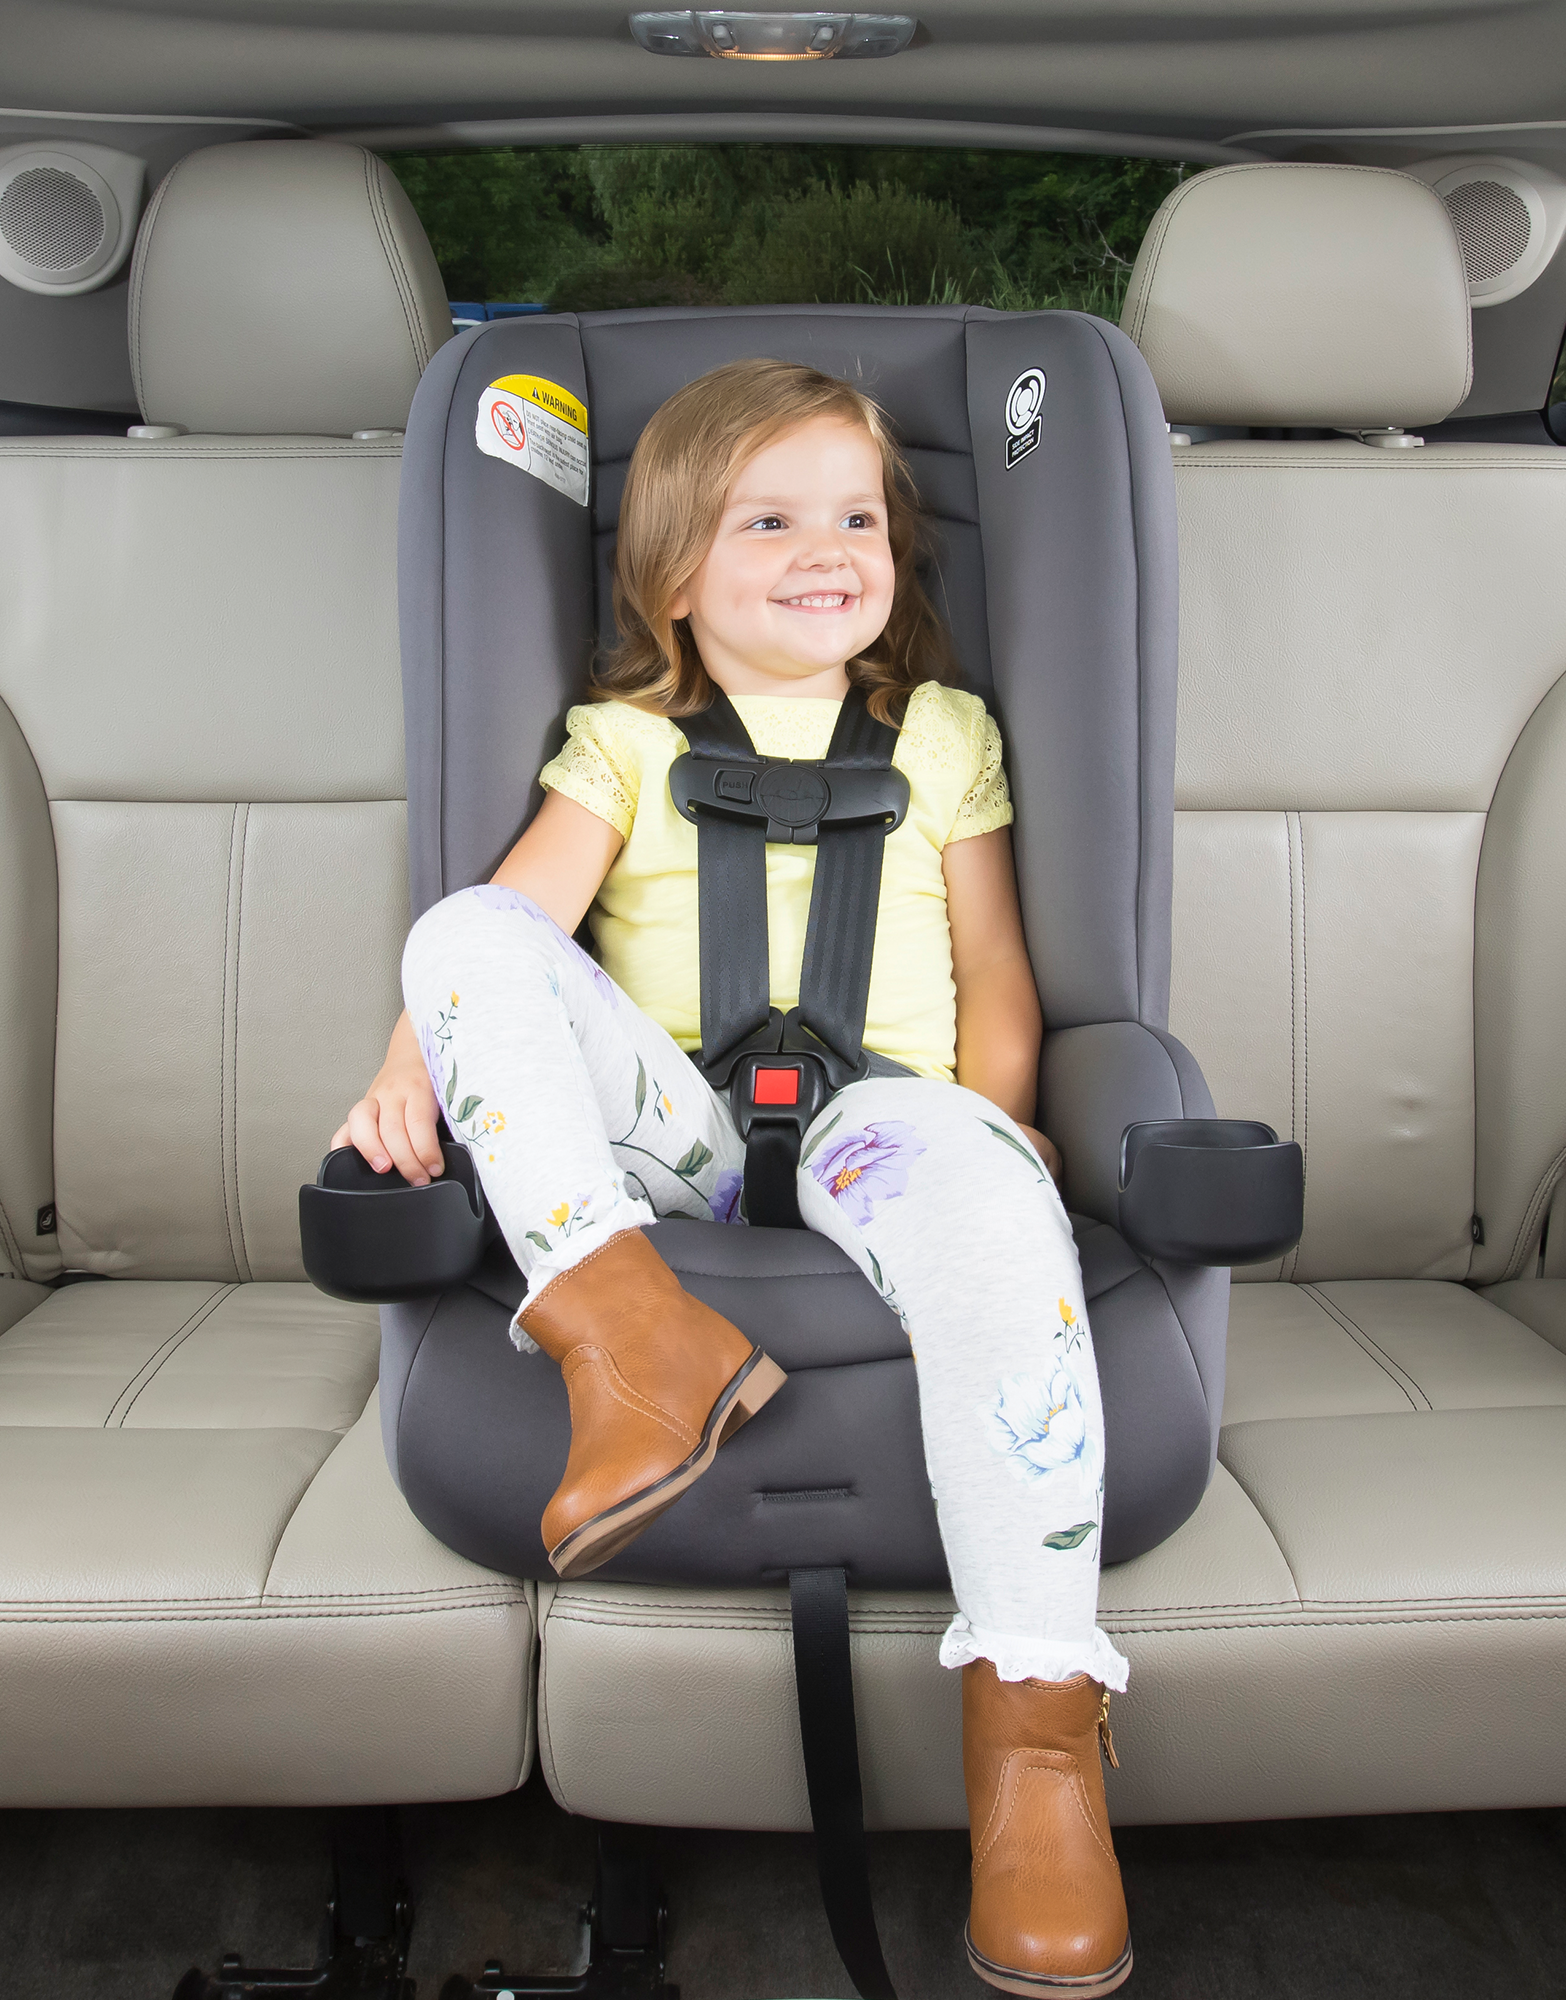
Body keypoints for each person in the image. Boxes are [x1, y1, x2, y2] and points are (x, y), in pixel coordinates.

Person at [339, 357, 1131, 1997]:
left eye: (858, 517)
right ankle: (630, 1342)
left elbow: (995, 965)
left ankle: (1041, 1736)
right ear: (675, 571)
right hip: (671, 1132)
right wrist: (416, 1062)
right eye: (768, 519)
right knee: (458, 933)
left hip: (884, 1119)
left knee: (990, 1199)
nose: (824, 547)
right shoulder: (621, 744)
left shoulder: (949, 738)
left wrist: (1001, 1119)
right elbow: (519, 929)